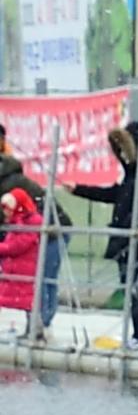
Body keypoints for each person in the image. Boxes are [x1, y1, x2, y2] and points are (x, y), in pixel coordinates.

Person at [65, 121, 138, 343]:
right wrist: (79, 189)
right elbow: (114, 194)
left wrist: (132, 226)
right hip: (124, 240)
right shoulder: (131, 174)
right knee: (129, 288)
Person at [0, 145, 44, 341]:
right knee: (23, 301)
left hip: (25, 270)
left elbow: (17, 246)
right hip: (16, 271)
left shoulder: (31, 223)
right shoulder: (17, 222)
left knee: (30, 302)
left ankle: (36, 331)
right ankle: (34, 330)